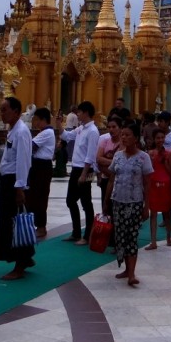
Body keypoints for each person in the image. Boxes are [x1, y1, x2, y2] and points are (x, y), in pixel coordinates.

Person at [104, 121, 153, 287]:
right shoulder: (118, 156)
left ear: (136, 138)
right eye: (122, 135)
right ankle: (126, 268)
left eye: (127, 135)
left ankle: (132, 273)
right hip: (118, 201)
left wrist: (146, 207)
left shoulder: (143, 157)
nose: (123, 138)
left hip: (134, 202)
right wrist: (106, 202)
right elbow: (112, 179)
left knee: (131, 237)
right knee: (120, 237)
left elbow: (147, 183)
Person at [0, 96, 34, 280]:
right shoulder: (12, 130)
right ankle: (25, 258)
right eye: (1, 109)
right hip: (8, 181)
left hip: (14, 183)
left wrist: (20, 188)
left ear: (17, 111)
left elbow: (23, 161)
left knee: (15, 223)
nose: (2, 113)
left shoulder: (21, 132)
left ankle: (20, 265)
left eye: (5, 109)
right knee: (10, 222)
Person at [59, 100, 99, 244]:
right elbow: (67, 136)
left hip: (87, 170)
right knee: (71, 200)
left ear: (86, 113)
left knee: (86, 201)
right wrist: (59, 124)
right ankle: (76, 232)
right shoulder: (81, 129)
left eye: (80, 112)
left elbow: (90, 155)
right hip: (76, 168)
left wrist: (84, 174)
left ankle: (87, 235)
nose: (78, 114)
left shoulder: (93, 131)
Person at [28, 107, 56, 239]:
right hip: (37, 166)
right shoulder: (42, 133)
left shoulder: (47, 133)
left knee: (40, 197)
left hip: (42, 167)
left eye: (37, 120)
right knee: (34, 195)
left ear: (44, 120)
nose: (35, 123)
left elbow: (30, 146)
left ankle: (41, 226)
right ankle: (35, 224)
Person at [146, 128, 171, 249]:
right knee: (153, 213)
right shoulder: (150, 153)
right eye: (158, 138)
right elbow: (148, 170)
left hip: (166, 184)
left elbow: (170, 172)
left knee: (167, 212)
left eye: (162, 137)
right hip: (153, 184)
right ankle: (153, 241)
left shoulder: (169, 153)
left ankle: (168, 238)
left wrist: (165, 162)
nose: (160, 140)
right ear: (154, 139)